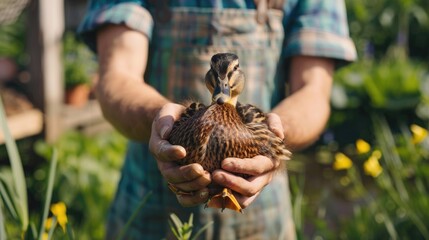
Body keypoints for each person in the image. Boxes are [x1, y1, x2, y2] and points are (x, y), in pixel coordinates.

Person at [78, 0, 356, 239]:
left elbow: (314, 90)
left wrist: (274, 135)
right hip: (151, 207)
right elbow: (118, 74)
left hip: (262, 213)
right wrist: (160, 119)